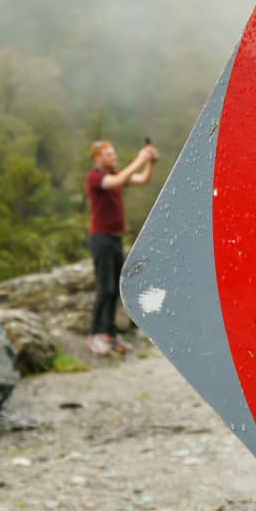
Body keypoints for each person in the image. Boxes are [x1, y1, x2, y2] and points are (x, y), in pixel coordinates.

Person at [84, 137, 157, 356]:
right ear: (97, 158)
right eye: (109, 154)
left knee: (115, 289)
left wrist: (150, 162)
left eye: (114, 153)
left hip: (115, 239)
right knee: (104, 288)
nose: (113, 157)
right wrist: (140, 158)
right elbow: (116, 182)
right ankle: (94, 334)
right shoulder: (96, 177)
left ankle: (110, 334)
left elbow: (143, 180)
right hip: (101, 239)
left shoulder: (115, 175)